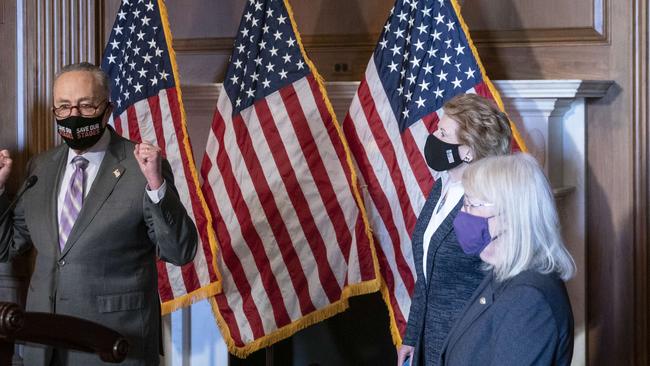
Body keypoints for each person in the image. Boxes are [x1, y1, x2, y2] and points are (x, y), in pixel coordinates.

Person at [0, 62, 198, 365]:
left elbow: (180, 251)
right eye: (63, 107)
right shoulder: (40, 167)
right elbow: (7, 245)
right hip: (43, 344)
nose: (73, 116)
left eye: (86, 105)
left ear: (107, 109)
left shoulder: (140, 168)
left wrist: (157, 186)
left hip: (114, 345)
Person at [397, 93, 512, 366]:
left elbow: (501, 283)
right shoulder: (441, 188)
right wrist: (412, 336)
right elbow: (426, 277)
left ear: (469, 150)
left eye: (443, 133)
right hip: (428, 342)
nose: (433, 137)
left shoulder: (487, 203)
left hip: (468, 345)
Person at [439, 153, 575, 365]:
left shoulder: (529, 299)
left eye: (471, 204)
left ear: (511, 215)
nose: (463, 214)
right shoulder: (502, 271)